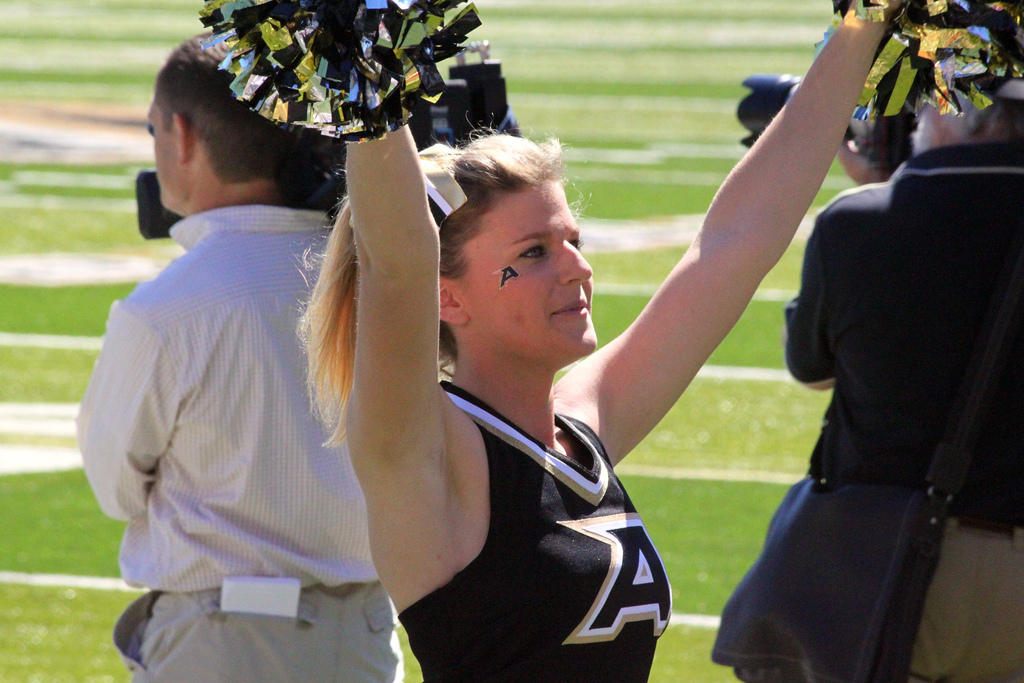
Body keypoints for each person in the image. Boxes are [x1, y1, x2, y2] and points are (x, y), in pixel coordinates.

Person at [302, 5, 894, 681]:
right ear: (448, 296)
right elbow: (398, 262)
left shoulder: (584, 427)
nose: (578, 270)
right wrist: (361, 69)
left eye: (573, 243)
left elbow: (734, 243)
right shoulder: (424, 452)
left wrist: (867, 23)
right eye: (533, 252)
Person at [76, 35, 402, 682]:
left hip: (224, 642)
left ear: (183, 136)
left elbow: (115, 489)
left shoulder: (163, 310)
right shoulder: (382, 281)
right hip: (369, 636)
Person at [784, 81, 1024, 683]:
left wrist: (880, 194)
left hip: (895, 561)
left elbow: (810, 370)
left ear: (952, 112)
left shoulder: (857, 225)